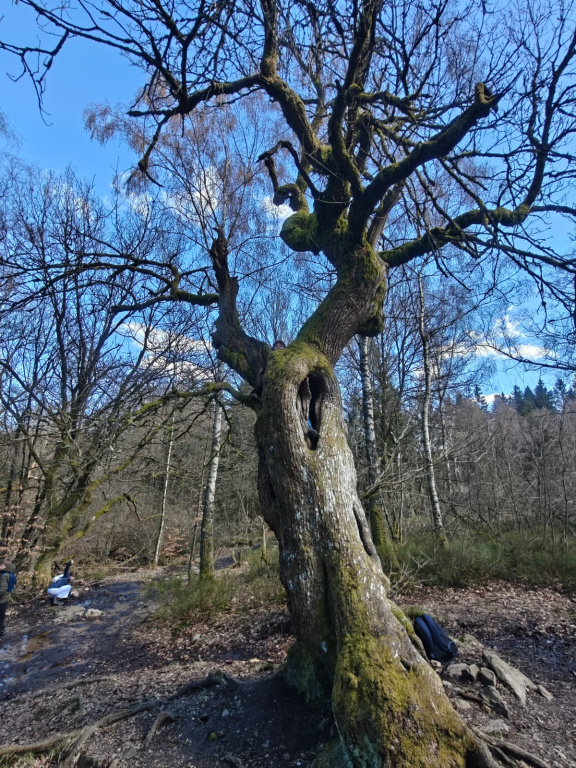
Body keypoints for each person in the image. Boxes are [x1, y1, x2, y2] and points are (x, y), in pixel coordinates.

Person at [0, 558, 16, 638]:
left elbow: (2, 589)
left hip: (2, 598)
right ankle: (1, 630)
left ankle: (1, 630)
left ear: (3, 565)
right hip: (6, 597)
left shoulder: (3, 575)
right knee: (1, 615)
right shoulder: (10, 573)